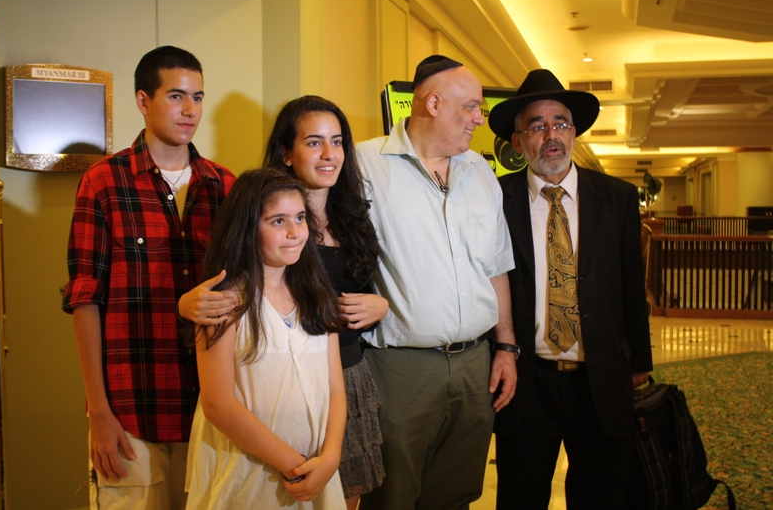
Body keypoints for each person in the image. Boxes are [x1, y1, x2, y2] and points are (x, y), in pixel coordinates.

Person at [180, 95, 387, 510]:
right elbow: (221, 402)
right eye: (314, 142)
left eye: (337, 141)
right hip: (261, 420)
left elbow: (366, 290)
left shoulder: (350, 221)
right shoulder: (236, 292)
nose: (329, 153)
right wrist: (189, 303)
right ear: (286, 153)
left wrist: (381, 307)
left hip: (335, 384)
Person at [61, 45, 236, 509]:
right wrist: (98, 411)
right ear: (143, 100)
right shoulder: (104, 182)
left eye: (198, 97)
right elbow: (84, 300)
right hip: (131, 408)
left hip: (211, 410)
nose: (190, 110)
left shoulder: (225, 186)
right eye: (176, 96)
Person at [355, 55, 518, 510]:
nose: (478, 120)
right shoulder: (364, 164)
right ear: (432, 103)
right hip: (400, 370)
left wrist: (506, 346)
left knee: (456, 496)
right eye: (470, 108)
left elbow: (496, 265)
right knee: (392, 496)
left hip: (475, 366)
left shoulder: (481, 172)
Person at [487, 69, 653, 510]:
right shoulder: (494, 200)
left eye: (559, 122)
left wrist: (640, 360)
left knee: (603, 498)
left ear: (574, 131)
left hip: (600, 380)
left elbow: (631, 286)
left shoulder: (616, 198)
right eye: (536, 126)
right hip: (525, 382)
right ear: (518, 141)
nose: (550, 135)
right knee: (520, 498)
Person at [183, 168, 346, 509]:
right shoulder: (224, 302)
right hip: (250, 475)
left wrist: (330, 458)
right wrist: (293, 465)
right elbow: (218, 404)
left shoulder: (317, 296)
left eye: (300, 218)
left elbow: (334, 389)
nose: (294, 232)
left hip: (316, 470)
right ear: (247, 229)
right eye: (277, 221)